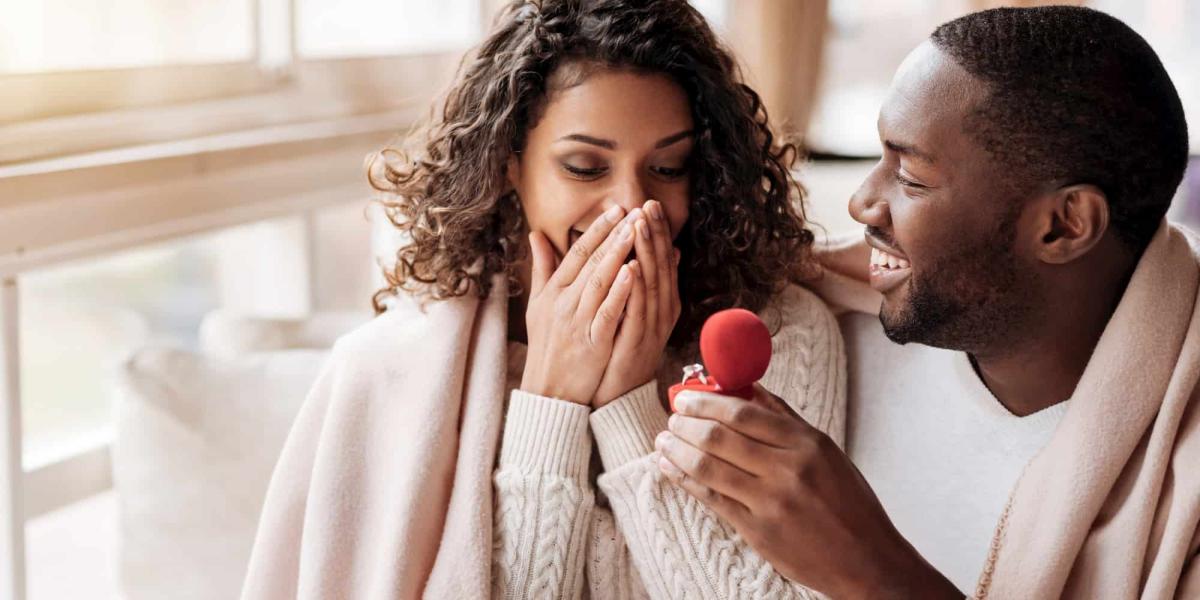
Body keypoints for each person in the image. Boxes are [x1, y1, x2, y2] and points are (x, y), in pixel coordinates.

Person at [241, 1, 844, 598]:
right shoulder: (389, 372)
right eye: (584, 167)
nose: (632, 205)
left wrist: (629, 403)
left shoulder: (777, 335)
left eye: (668, 167)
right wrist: (550, 405)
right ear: (510, 164)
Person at [657, 6, 1200, 599]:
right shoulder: (815, 333)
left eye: (911, 178)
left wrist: (869, 570)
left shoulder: (1185, 484)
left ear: (1063, 226)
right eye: (880, 158)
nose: (862, 203)